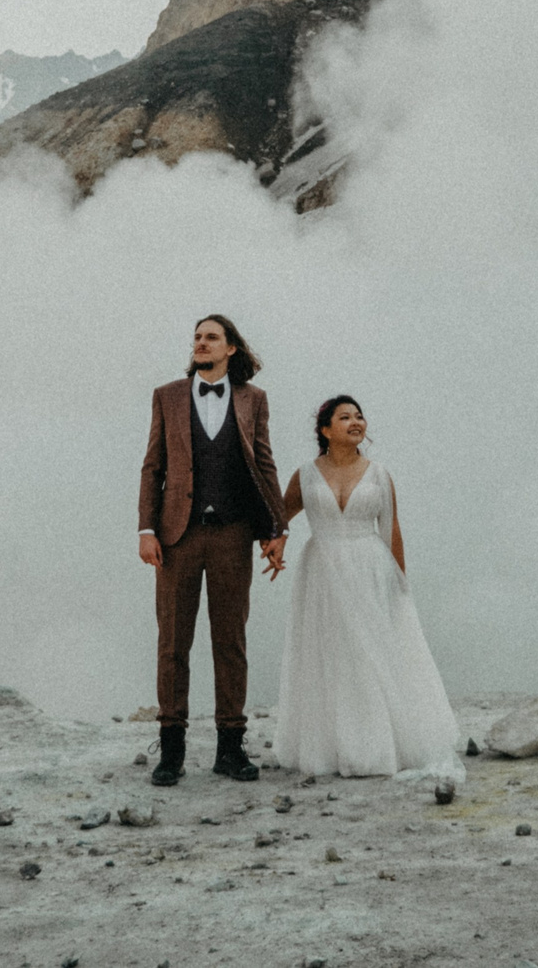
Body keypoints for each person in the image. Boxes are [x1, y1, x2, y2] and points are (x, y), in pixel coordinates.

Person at [270, 396, 463, 779]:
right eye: (345, 417)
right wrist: (277, 540)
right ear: (325, 429)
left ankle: (378, 745)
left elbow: (392, 530)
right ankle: (331, 747)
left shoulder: (378, 473)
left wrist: (400, 586)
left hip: (370, 567)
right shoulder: (305, 474)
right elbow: (279, 515)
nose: (356, 422)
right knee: (331, 654)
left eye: (359, 416)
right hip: (321, 568)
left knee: (372, 652)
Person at [137, 314, 286, 785]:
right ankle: (172, 752)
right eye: (197, 337)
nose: (200, 343)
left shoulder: (253, 400)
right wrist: (145, 529)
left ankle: (229, 747)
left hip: (232, 534)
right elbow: (152, 467)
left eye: (211, 338)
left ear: (231, 349)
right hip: (176, 535)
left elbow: (264, 463)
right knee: (173, 642)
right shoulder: (167, 395)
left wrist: (276, 527)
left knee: (230, 640)